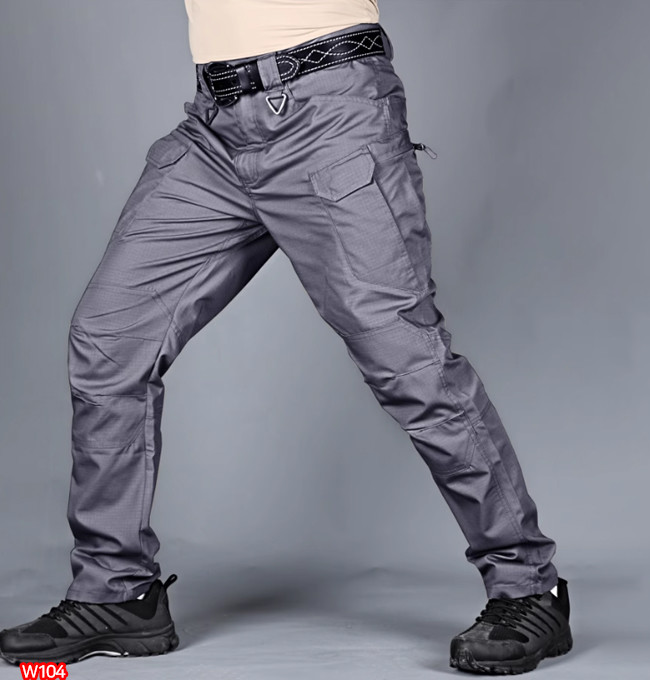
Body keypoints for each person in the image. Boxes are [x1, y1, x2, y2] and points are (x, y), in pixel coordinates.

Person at [0, 1, 573, 674]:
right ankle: (116, 592)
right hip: (215, 128)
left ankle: (528, 586)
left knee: (407, 362)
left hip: (330, 115)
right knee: (109, 339)